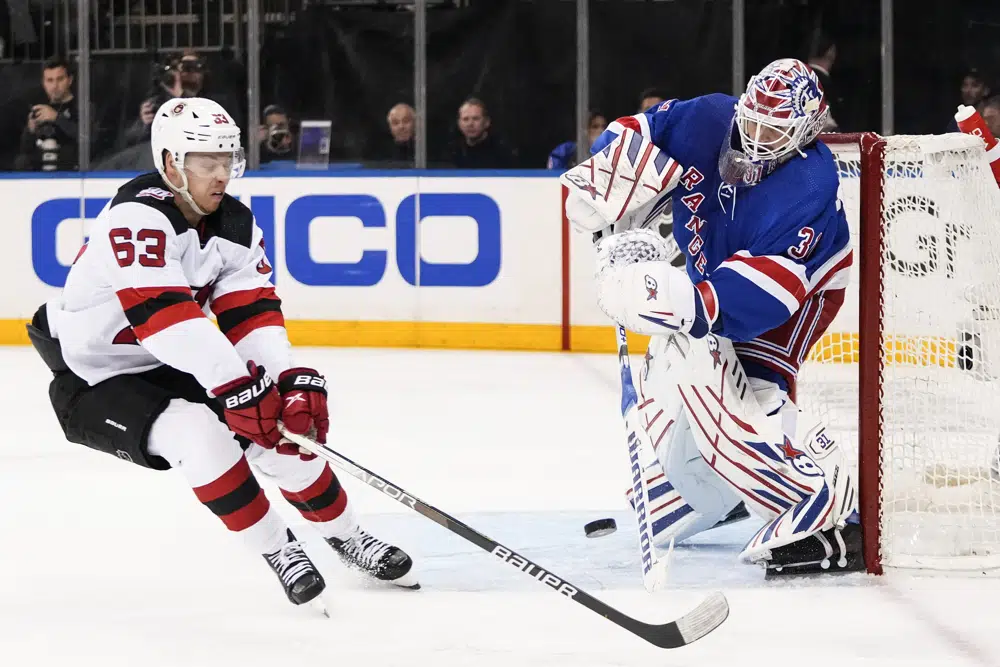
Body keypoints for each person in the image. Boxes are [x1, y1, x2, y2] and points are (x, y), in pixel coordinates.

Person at [26, 98, 418, 607]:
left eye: (227, 159)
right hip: (94, 379)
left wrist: (289, 377)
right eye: (205, 161)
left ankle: (347, 535)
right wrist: (237, 387)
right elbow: (165, 319)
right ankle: (280, 549)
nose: (221, 174)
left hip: (168, 361)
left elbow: (250, 317)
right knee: (201, 433)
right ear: (170, 163)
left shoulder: (235, 226)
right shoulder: (136, 218)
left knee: (279, 433)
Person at [561, 58, 858, 576]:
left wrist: (674, 301)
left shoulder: (809, 184)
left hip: (795, 295)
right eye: (753, 121)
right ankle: (710, 492)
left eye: (775, 130)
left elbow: (764, 293)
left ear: (808, 130)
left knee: (741, 389)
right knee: (668, 374)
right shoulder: (709, 118)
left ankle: (828, 513)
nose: (758, 137)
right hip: (713, 266)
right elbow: (634, 133)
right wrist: (603, 183)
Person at [15, 56, 83, 171]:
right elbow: (25, 150)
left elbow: (87, 140)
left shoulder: (82, 107)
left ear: (70, 80)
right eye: (50, 80)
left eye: (60, 79)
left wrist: (56, 118)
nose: (55, 86)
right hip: (39, 175)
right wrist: (30, 129)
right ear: (43, 83)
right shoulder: (39, 109)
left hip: (71, 173)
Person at [448, 97, 515, 168]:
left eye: (475, 119)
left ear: (487, 122)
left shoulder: (502, 153)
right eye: (465, 119)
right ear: (459, 124)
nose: (470, 124)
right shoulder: (453, 151)